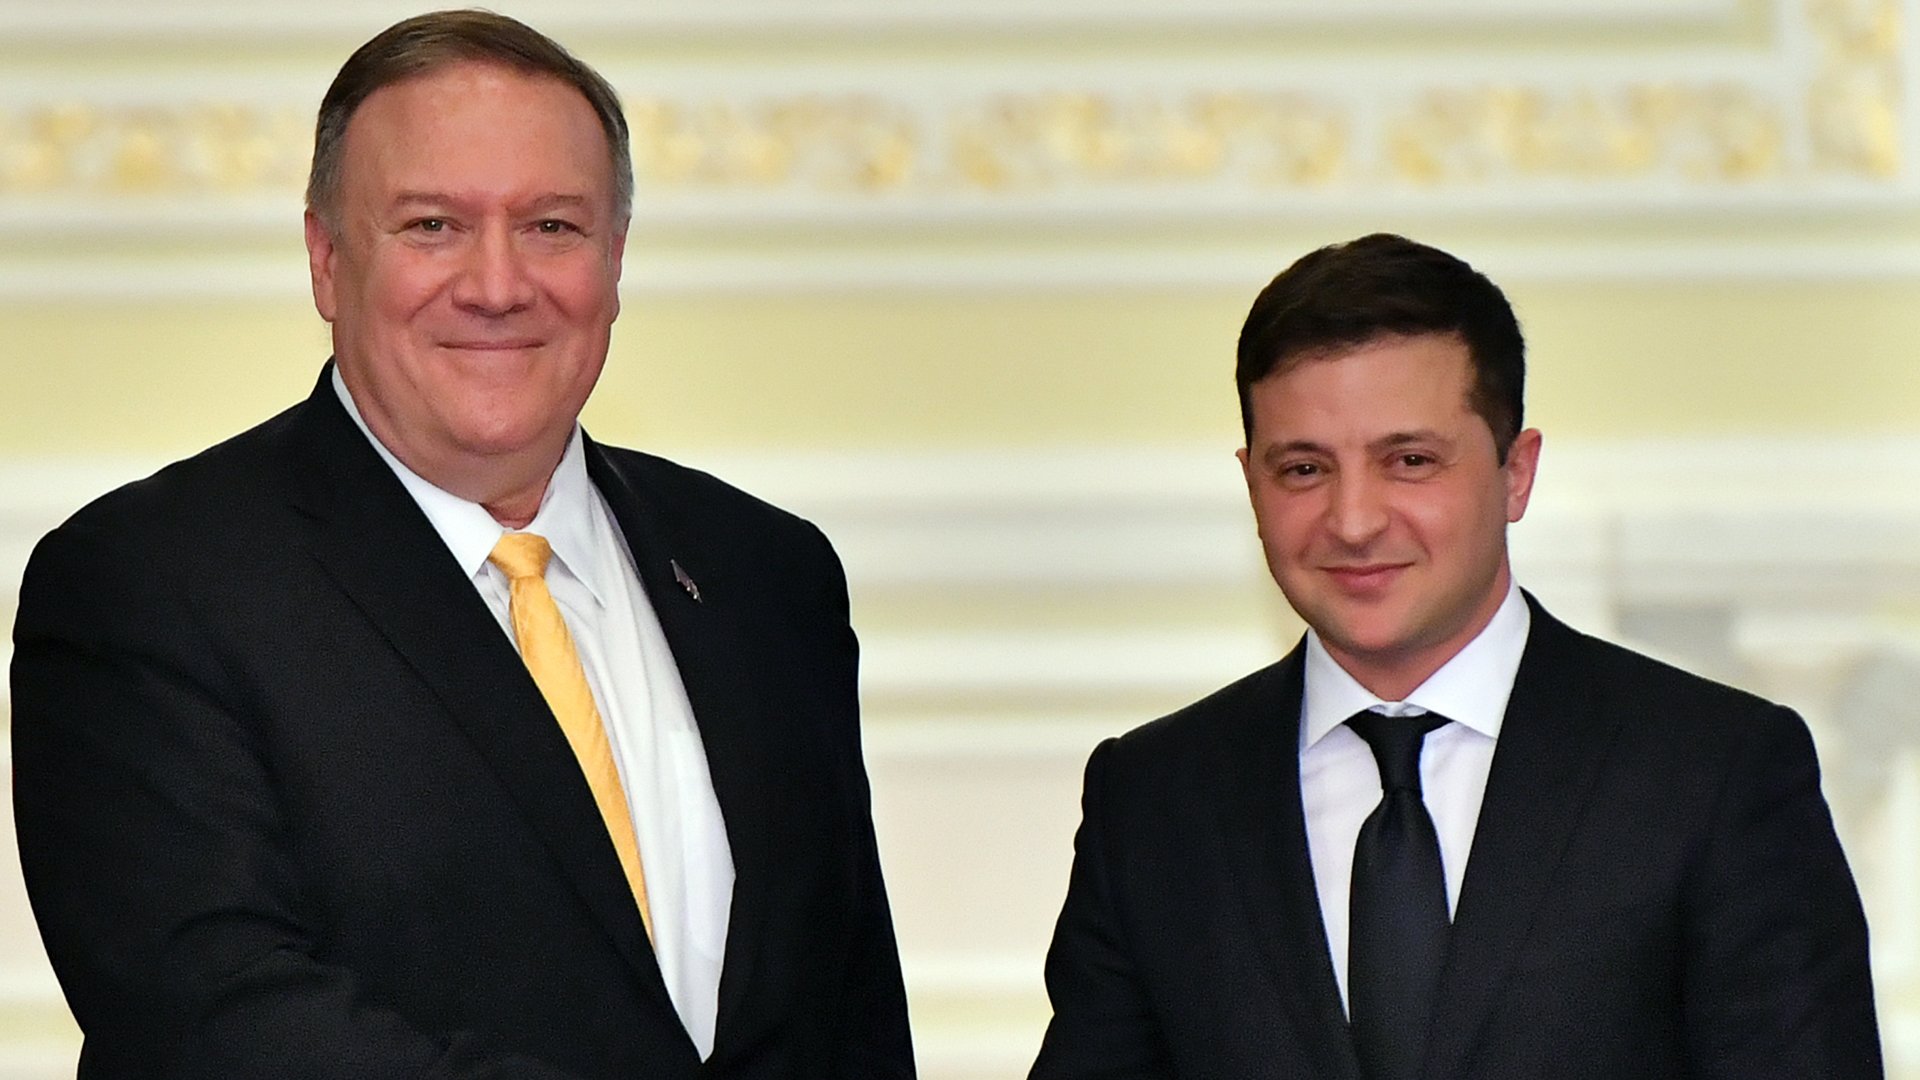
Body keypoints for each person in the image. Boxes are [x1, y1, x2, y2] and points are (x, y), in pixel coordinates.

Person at [10, 10, 913, 1079]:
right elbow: (222, 1022)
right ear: (326, 257)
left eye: (553, 227)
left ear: (616, 260)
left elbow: (848, 1020)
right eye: (434, 225)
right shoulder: (150, 585)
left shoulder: (769, 574)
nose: (496, 285)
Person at [1027, 233, 1881, 1080]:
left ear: (1516, 473)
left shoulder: (1714, 773)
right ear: (1252, 484)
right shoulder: (1153, 801)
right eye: (1303, 470)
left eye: (1409, 461)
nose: (1353, 520)